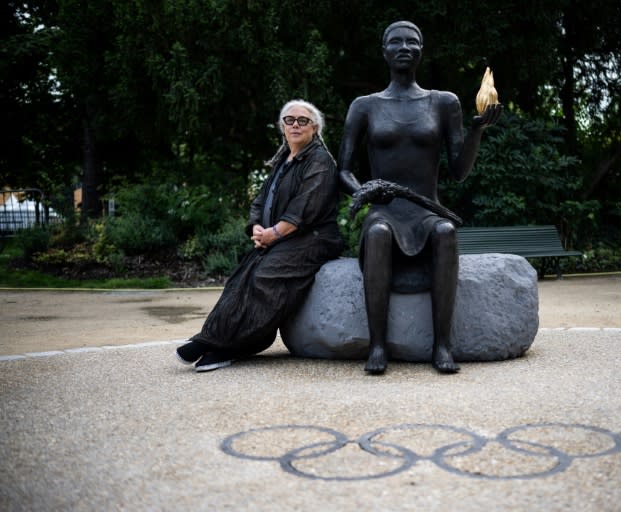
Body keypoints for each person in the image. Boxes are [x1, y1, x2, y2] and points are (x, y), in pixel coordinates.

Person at [338, 20, 502, 375]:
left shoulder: (443, 103)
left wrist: (476, 131)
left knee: (446, 232)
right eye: (395, 42)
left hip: (427, 210)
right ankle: (377, 344)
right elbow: (344, 170)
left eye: (412, 42)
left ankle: (442, 345)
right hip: (384, 211)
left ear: (421, 51)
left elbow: (458, 171)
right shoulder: (365, 106)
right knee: (379, 234)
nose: (404, 48)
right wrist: (363, 191)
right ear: (384, 51)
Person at [176, 99, 344, 372]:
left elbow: (305, 206)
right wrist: (256, 226)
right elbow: (260, 201)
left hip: (314, 239)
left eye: (303, 120)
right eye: (290, 120)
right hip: (284, 238)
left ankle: (233, 347)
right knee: (240, 279)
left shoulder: (319, 160)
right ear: (282, 126)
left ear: (314, 128)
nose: (295, 125)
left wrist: (274, 233)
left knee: (266, 276)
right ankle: (209, 339)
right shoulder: (283, 160)